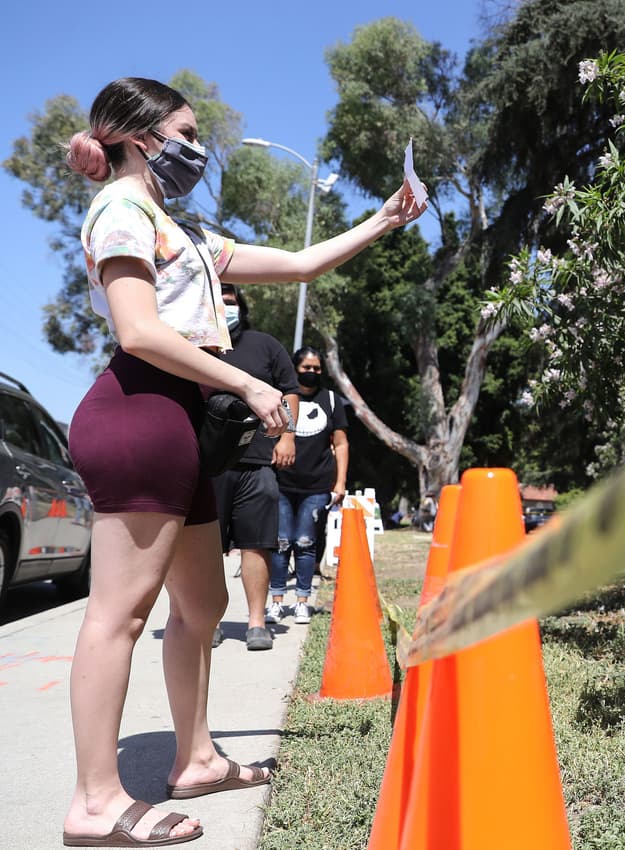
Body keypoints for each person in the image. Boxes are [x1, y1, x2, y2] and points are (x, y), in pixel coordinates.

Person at [61, 77, 425, 846]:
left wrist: (385, 218)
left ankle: (195, 760)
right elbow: (138, 332)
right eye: (185, 132)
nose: (198, 148)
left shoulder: (179, 228)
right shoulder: (120, 211)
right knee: (118, 617)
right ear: (138, 135)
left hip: (181, 422)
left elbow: (296, 264)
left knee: (201, 610)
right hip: (140, 414)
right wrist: (252, 382)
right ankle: (95, 801)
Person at [212, 285, 299, 651]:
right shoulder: (192, 346)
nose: (226, 306)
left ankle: (256, 623)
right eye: (219, 299)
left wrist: (288, 436)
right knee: (204, 548)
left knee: (257, 545)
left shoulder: (265, 345)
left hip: (258, 461)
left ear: (241, 306)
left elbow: (289, 388)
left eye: (231, 300)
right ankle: (207, 620)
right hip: (209, 465)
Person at [270, 346, 349, 625]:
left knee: (305, 541)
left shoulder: (330, 400)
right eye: (307, 368)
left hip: (317, 487)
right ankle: (277, 602)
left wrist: (339, 483)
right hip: (281, 483)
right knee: (280, 542)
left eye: (317, 368)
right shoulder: (281, 399)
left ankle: (302, 601)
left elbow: (340, 444)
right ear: (295, 369)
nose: (313, 372)